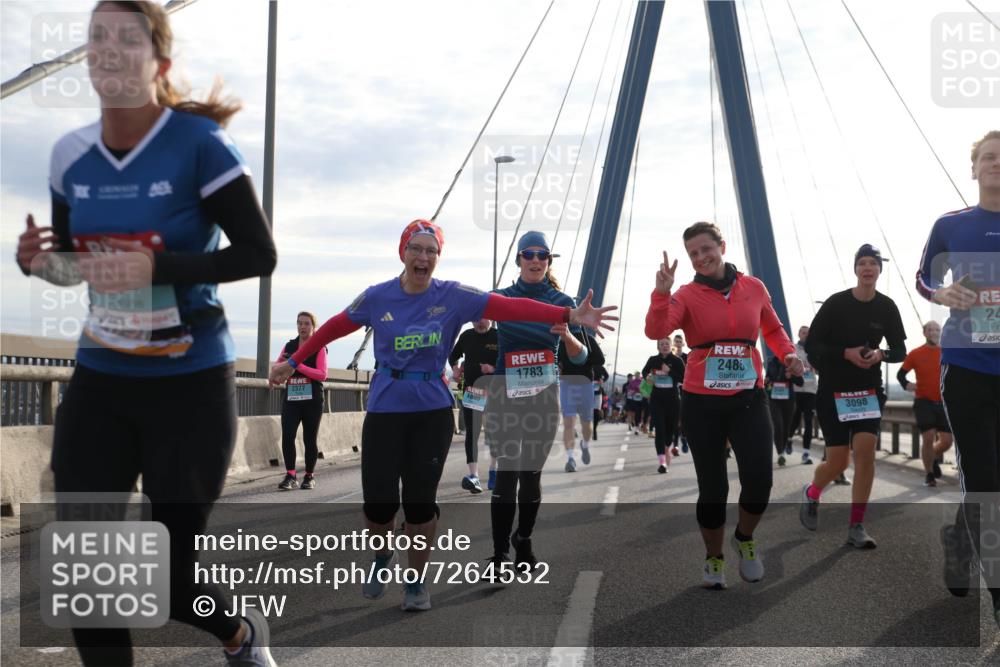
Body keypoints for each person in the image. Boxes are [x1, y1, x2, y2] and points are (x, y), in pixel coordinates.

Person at [15, 2, 278, 664]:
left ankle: (240, 634)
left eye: (125, 38)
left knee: (168, 579)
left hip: (190, 384)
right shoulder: (70, 156)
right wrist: (39, 264)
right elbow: (75, 264)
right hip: (102, 378)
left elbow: (258, 253)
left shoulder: (200, 145)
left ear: (158, 62)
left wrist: (162, 266)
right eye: (97, 37)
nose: (107, 47)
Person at [269, 221, 615, 611]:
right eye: (416, 249)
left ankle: (418, 582)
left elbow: (513, 307)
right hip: (385, 407)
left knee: (421, 504)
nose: (423, 257)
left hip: (433, 409)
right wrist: (292, 361)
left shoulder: (454, 295)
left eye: (431, 251)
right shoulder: (377, 296)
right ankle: (383, 555)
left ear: (438, 257)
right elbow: (334, 327)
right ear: (403, 253)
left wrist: (569, 315)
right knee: (379, 506)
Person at [645, 221, 802, 590]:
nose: (701, 257)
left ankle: (744, 537)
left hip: (749, 397)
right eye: (693, 253)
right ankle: (714, 557)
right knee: (713, 488)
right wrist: (661, 294)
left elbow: (773, 329)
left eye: (706, 249)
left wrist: (788, 353)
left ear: (722, 247)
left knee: (760, 480)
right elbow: (656, 330)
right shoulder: (685, 295)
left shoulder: (754, 287)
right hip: (702, 402)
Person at [916, 130, 1000, 626]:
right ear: (974, 169)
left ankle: (959, 540)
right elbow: (923, 277)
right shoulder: (951, 225)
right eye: (988, 157)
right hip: (967, 367)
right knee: (985, 482)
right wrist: (941, 295)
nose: (996, 164)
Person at [485, 231, 606, 568]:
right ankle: (499, 556)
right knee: (507, 474)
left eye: (542, 255)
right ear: (519, 260)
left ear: (549, 261)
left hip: (543, 398)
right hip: (505, 396)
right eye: (529, 254)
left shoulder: (562, 302)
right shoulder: (501, 298)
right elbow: (470, 310)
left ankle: (523, 539)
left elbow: (581, 357)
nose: (536, 260)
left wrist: (567, 335)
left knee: (531, 477)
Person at [799, 245, 907, 549]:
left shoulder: (887, 307)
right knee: (838, 463)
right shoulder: (836, 304)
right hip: (833, 391)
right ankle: (812, 493)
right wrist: (845, 353)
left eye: (873, 263)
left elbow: (900, 350)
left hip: (868, 390)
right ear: (856, 269)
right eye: (862, 263)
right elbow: (813, 347)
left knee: (865, 451)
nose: (868, 268)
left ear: (879, 270)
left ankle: (857, 525)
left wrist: (880, 354)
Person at [897, 321, 953, 487]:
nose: (933, 332)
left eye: (936, 329)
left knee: (947, 441)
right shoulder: (915, 353)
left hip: (943, 402)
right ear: (924, 333)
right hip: (924, 401)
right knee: (928, 437)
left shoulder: (948, 353)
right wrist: (908, 385)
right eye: (930, 330)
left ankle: (932, 457)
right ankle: (929, 474)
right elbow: (901, 375)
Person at [275, 312, 327, 491]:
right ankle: (290, 475)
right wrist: (276, 374)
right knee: (288, 435)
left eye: (306, 324)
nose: (302, 327)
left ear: (313, 326)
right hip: (292, 399)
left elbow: (322, 374)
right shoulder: (289, 346)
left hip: (312, 400)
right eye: (299, 323)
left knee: (309, 439)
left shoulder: (319, 347)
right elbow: (277, 366)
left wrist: (298, 365)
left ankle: (309, 476)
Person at [449, 318, 499, 492]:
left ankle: (494, 471)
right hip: (473, 392)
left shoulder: (499, 336)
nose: (480, 323)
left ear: (491, 318)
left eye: (483, 319)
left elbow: (508, 363)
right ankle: (474, 476)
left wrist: (492, 369)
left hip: (495, 392)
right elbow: (453, 356)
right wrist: (455, 369)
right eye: (476, 319)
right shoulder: (466, 336)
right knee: (472, 433)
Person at [558, 328, 606, 472]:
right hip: (567, 384)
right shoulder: (559, 340)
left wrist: (583, 356)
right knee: (569, 423)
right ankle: (570, 459)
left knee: (586, 425)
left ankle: (584, 445)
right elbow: (552, 360)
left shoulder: (588, 339)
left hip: (585, 384)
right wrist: (558, 365)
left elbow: (600, 360)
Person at [642, 339, 685, 473]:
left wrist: (669, 371)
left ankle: (667, 447)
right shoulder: (653, 360)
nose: (664, 346)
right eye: (662, 344)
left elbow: (684, 378)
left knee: (670, 431)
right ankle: (662, 463)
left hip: (673, 400)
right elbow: (645, 372)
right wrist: (648, 377)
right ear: (658, 347)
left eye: (667, 344)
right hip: (657, 400)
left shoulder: (677, 361)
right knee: (660, 430)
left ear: (671, 346)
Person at [765, 352, 803, 467]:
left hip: (788, 400)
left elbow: (800, 382)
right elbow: (768, 377)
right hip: (774, 398)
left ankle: (783, 448)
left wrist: (791, 377)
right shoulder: (771, 362)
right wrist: (767, 380)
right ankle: (780, 453)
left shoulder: (792, 362)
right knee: (778, 425)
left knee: (786, 427)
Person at [791, 325, 818, 464]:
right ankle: (789, 439)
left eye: (808, 333)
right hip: (797, 389)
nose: (806, 335)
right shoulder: (794, 349)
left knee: (808, 421)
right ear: (799, 334)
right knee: (795, 419)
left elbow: (819, 369)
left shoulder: (815, 349)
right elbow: (788, 366)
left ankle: (806, 453)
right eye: (803, 332)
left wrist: (816, 366)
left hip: (811, 390)